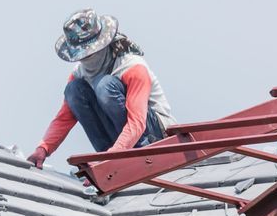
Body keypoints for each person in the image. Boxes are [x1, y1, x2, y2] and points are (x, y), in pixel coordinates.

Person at [28, 9, 175, 168]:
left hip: (153, 135)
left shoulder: (131, 66)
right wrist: (44, 148)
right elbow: (64, 118)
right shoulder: (80, 74)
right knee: (74, 90)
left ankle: (125, 154)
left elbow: (137, 122)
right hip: (120, 144)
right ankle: (109, 154)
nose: (86, 59)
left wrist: (113, 157)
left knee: (105, 85)